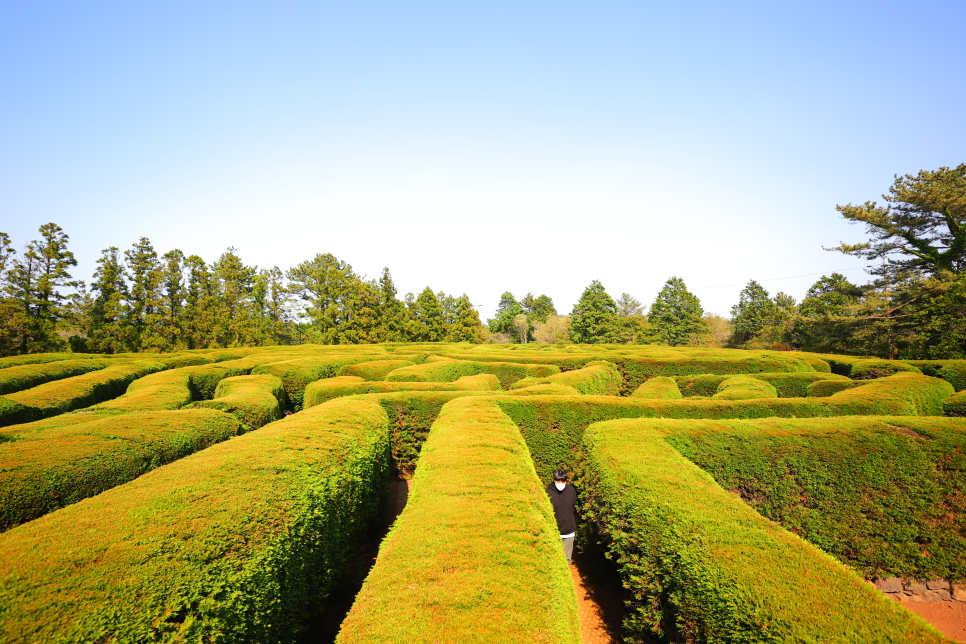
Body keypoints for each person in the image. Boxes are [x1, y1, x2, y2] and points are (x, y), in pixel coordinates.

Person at [546, 469, 577, 564]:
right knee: (553, 560)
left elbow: (572, 507)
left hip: (568, 532)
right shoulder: (548, 492)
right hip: (554, 532)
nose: (560, 483)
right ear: (554, 480)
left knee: (566, 560)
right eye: (558, 481)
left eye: (563, 481)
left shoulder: (571, 490)